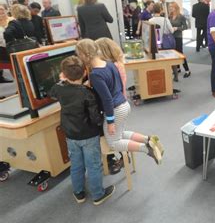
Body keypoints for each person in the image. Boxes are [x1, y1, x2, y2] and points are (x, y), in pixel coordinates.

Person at [75, 39, 163, 165]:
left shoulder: (95, 75)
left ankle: (146, 149)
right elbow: (118, 85)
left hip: (115, 110)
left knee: (114, 143)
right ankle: (148, 139)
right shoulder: (110, 64)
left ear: (84, 55)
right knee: (120, 133)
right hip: (124, 105)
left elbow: (107, 99)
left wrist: (110, 121)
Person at [49, 56, 115, 205]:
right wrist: (102, 124)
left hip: (71, 135)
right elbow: (94, 117)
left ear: (63, 74)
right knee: (93, 165)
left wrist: (61, 80)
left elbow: (51, 93)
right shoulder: (87, 92)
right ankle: (98, 194)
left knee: (77, 164)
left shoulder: (59, 88)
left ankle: (78, 192)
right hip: (89, 135)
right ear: (85, 71)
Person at [148, 4, 179, 82]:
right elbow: (171, 30)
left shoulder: (150, 20)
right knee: (171, 58)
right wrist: (175, 28)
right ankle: (175, 75)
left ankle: (162, 76)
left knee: (160, 60)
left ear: (153, 10)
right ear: (161, 10)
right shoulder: (165, 20)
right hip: (167, 42)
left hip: (156, 44)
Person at [169, 2, 191, 78]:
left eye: (172, 7)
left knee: (180, 53)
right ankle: (178, 68)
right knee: (174, 53)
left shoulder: (181, 17)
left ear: (176, 7)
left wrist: (177, 28)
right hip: (171, 37)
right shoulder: (170, 16)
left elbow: (186, 27)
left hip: (178, 37)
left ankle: (187, 70)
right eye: (170, 7)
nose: (170, 8)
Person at [0, 4, 14, 83]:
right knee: (9, 67)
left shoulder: (12, 20)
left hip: (13, 47)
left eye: (1, 9)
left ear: (6, 10)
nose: (0, 11)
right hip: (2, 49)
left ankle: (22, 87)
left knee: (16, 68)